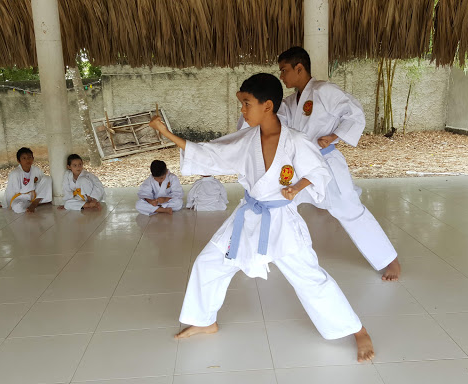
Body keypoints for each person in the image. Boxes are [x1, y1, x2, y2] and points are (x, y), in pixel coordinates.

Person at [149, 73, 375, 362]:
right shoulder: (247, 138)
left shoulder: (295, 140)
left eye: (246, 104)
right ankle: (204, 319)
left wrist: (298, 187)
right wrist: (166, 132)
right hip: (248, 216)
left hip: (281, 221)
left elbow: (318, 172)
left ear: (267, 106)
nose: (242, 111)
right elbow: (211, 153)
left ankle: (357, 330)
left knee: (310, 278)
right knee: (209, 263)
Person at [276, 46, 400, 281]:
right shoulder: (290, 102)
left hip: (326, 162)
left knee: (349, 210)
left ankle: (389, 260)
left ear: (299, 68)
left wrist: (334, 136)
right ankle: (276, 254)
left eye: (284, 70)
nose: (281, 76)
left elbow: (354, 114)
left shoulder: (324, 91)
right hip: (299, 166)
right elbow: (276, 123)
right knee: (279, 202)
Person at [0, 147, 52, 213]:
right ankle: (36, 204)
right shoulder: (14, 173)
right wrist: (5, 204)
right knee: (18, 207)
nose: (27, 160)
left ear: (33, 158)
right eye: (24, 158)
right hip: (21, 197)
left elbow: (43, 183)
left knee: (47, 178)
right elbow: (10, 190)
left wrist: (34, 185)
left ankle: (35, 203)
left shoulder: (36, 169)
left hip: (34, 195)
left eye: (30, 157)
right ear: (19, 161)